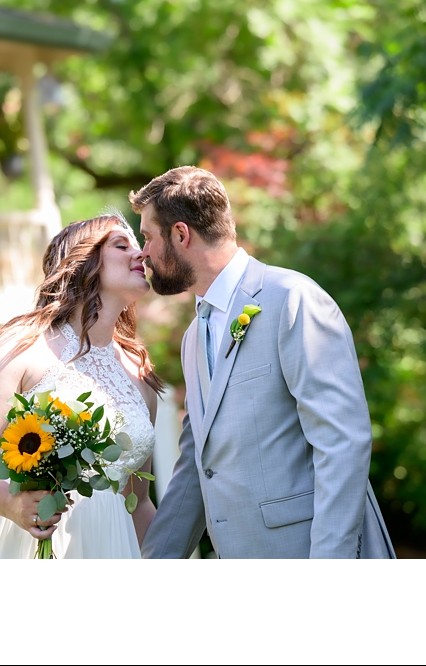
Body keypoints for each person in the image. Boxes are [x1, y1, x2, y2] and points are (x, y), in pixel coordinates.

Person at [133, 166, 393, 558]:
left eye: (148, 237)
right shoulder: (192, 339)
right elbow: (197, 465)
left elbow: (342, 442)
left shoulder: (291, 300)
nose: (144, 252)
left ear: (181, 234)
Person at [0, 216, 161, 557]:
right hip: (15, 542)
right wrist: (10, 503)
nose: (140, 254)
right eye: (121, 245)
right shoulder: (22, 347)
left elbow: (139, 503)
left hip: (105, 549)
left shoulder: (139, 373)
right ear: (83, 259)